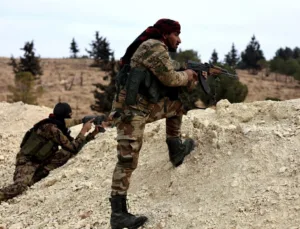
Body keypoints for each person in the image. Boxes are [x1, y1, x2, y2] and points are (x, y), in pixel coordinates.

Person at [108, 18, 199, 229]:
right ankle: (118, 215)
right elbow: (171, 79)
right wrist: (188, 75)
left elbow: (169, 73)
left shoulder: (154, 47)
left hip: (143, 107)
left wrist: (193, 74)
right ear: (166, 34)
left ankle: (175, 149)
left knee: (176, 106)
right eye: (177, 34)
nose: (180, 39)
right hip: (130, 112)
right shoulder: (154, 46)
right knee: (127, 160)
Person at [0, 102, 104, 202]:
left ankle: (40, 173)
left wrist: (93, 134)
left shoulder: (58, 127)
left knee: (66, 153)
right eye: (69, 115)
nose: (70, 119)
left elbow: (73, 146)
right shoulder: (51, 128)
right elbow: (73, 147)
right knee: (21, 186)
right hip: (27, 161)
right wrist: (83, 131)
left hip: (41, 161)